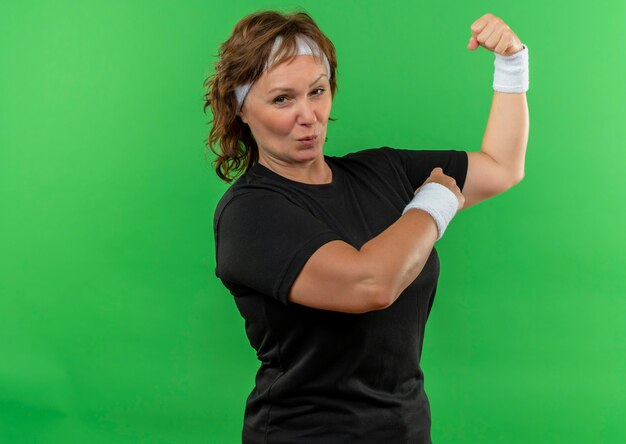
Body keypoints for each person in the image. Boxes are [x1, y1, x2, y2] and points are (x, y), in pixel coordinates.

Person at [204, 9, 529, 444]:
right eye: (282, 99)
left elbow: (502, 167)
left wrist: (512, 63)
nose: (309, 115)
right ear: (241, 108)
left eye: (317, 91)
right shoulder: (249, 214)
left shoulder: (381, 171)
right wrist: (433, 202)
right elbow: (369, 284)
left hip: (405, 430)